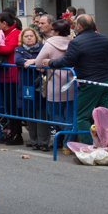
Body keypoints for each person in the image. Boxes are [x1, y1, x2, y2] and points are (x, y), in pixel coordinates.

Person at [42, 14, 108, 145]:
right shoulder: (105, 39)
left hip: (89, 83)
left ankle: (87, 146)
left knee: (82, 116)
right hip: (106, 82)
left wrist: (50, 62)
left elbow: (67, 61)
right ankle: (107, 144)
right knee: (104, 116)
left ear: (79, 26)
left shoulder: (76, 42)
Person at [27, 18, 74, 151]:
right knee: (69, 114)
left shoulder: (49, 44)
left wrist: (42, 65)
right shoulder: (73, 43)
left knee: (53, 113)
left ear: (56, 31)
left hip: (55, 84)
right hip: (71, 82)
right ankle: (68, 144)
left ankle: (69, 133)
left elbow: (38, 63)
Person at [0, 12, 22, 144]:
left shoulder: (16, 33)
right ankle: (11, 132)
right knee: (8, 106)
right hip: (3, 75)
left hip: (12, 75)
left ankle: (17, 134)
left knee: (13, 107)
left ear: (4, 23)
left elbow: (7, 49)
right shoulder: (4, 34)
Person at [14, 27, 45, 149]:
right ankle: (34, 141)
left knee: (41, 114)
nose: (29, 38)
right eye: (26, 36)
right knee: (30, 114)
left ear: (36, 37)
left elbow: (45, 60)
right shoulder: (19, 49)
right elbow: (18, 60)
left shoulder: (42, 48)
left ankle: (43, 142)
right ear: (22, 38)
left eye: (31, 36)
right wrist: (28, 62)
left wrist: (34, 61)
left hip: (40, 85)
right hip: (26, 85)